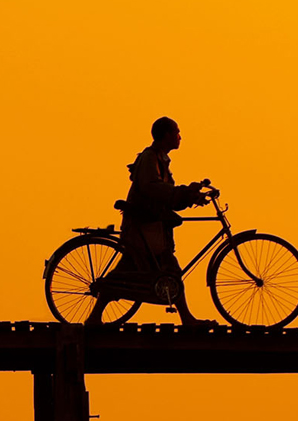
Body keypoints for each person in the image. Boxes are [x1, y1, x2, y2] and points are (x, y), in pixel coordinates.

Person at [90, 116, 211, 326]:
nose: (179, 137)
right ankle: (187, 319)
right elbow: (153, 188)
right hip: (142, 228)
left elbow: (167, 196)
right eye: (176, 132)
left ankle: (94, 317)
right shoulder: (149, 158)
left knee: (151, 270)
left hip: (151, 228)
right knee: (160, 268)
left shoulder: (160, 160)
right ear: (165, 135)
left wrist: (190, 196)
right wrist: (182, 193)